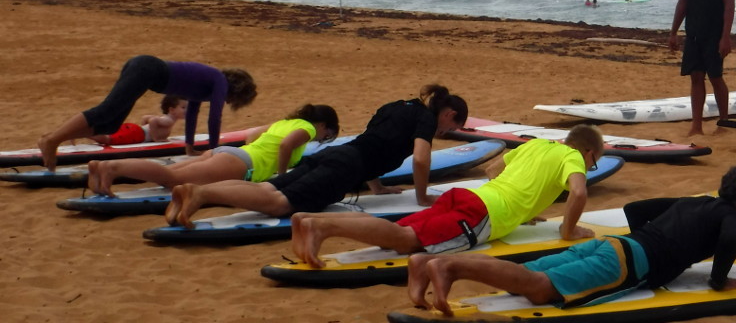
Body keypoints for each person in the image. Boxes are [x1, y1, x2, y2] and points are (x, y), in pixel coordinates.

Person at [407, 163, 736, 315]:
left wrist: (658, 240)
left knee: (524, 276)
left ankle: (424, 262)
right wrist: (719, 280)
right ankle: (449, 266)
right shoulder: (730, 216)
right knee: (537, 288)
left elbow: (636, 208)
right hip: (625, 263)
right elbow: (729, 239)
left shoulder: (697, 203)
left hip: (614, 246)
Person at [289, 124, 605, 268]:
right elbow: (578, 193)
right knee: (404, 240)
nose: (591, 167)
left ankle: (312, 220)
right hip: (483, 216)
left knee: (397, 237)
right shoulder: (573, 157)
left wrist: (525, 206)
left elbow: (493, 170)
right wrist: (568, 230)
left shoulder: (536, 144)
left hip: (467, 198)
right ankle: (322, 227)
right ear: (587, 151)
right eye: (595, 162)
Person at [164, 84, 467, 229]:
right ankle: (199, 195)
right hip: (344, 167)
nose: (445, 133)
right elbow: (420, 159)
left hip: (337, 154)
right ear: (449, 113)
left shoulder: (398, 105)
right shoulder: (426, 119)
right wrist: (422, 196)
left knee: (268, 188)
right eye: (450, 128)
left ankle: (197, 192)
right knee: (281, 205)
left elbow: (374, 143)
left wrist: (377, 188)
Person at [37, 55, 258, 171]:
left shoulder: (207, 87)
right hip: (147, 68)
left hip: (145, 70)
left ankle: (53, 138)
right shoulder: (219, 80)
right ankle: (53, 140)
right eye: (236, 99)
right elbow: (214, 117)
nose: (231, 102)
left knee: (111, 124)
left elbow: (192, 112)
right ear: (237, 89)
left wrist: (189, 146)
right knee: (106, 110)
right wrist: (215, 150)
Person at [87, 104, 340, 197]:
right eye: (327, 134)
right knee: (172, 180)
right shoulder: (306, 128)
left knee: (168, 174)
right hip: (242, 163)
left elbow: (252, 134)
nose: (322, 137)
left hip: (232, 154)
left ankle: (101, 168)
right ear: (322, 124)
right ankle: (112, 166)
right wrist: (282, 173)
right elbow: (286, 146)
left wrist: (257, 150)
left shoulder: (285, 122)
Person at [668, 0, 736, 136]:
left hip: (714, 32)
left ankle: (724, 123)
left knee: (715, 77)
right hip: (693, 32)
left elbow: (729, 3)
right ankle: (696, 126)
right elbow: (683, 2)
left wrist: (726, 36)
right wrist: (673, 32)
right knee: (696, 77)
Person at [90, 95, 187, 145]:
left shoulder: (166, 119)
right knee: (108, 139)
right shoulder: (168, 121)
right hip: (137, 134)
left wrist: (144, 130)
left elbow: (146, 118)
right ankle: (85, 132)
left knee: (108, 137)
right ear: (172, 110)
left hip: (136, 131)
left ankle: (86, 131)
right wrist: (155, 139)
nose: (187, 110)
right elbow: (153, 121)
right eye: (183, 107)